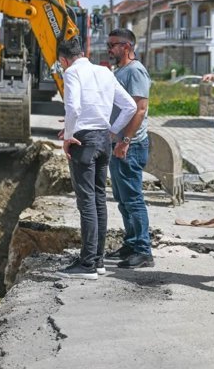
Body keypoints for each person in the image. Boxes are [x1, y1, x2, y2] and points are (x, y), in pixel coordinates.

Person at [55, 39, 137, 279]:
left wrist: (69, 136)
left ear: (63, 60)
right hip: (103, 140)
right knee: (99, 199)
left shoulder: (71, 73)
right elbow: (130, 106)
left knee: (87, 202)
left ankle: (88, 263)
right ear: (83, 53)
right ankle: (98, 260)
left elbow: (74, 109)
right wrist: (111, 131)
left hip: (84, 143)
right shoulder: (104, 71)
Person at [103, 28, 155, 269]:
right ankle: (132, 243)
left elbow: (139, 109)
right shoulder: (121, 70)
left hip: (130, 145)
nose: (109, 49)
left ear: (126, 46)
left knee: (133, 199)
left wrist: (125, 141)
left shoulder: (135, 71)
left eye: (113, 44)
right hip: (120, 143)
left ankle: (143, 250)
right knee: (123, 199)